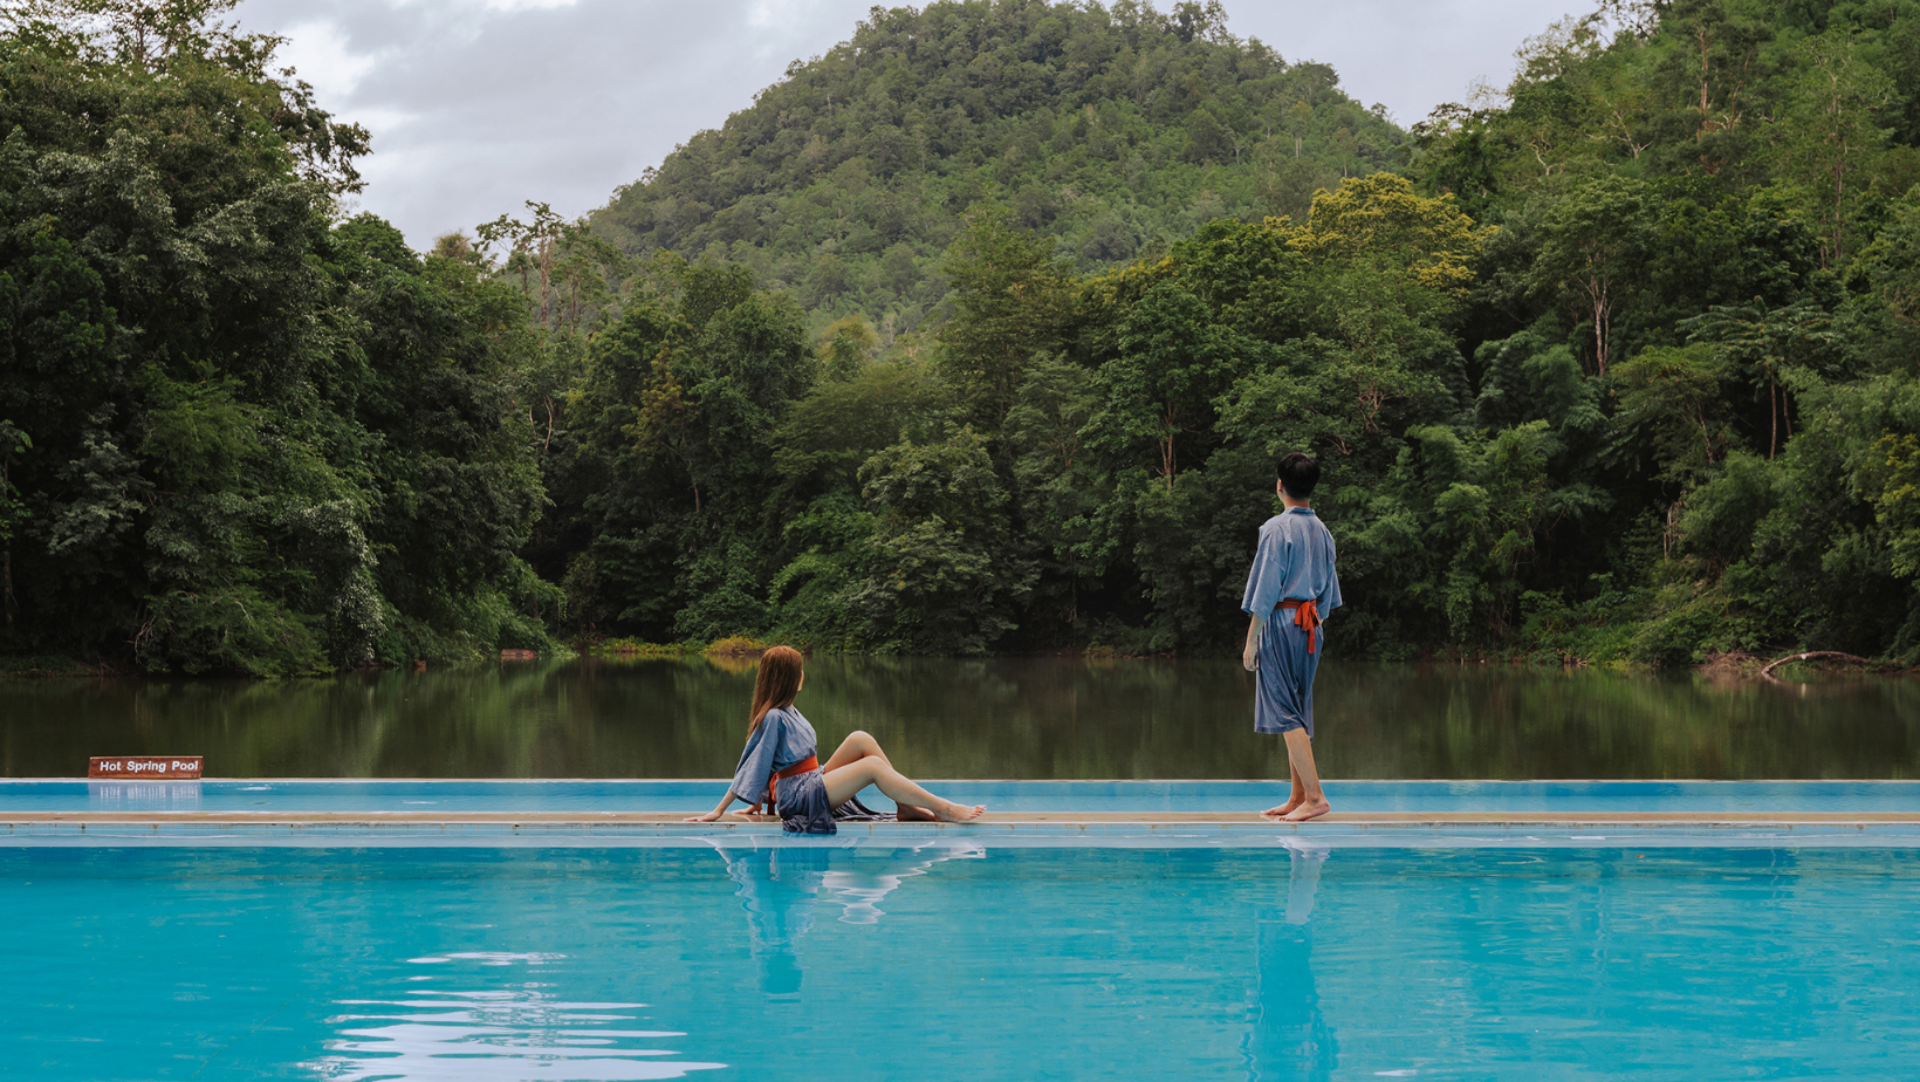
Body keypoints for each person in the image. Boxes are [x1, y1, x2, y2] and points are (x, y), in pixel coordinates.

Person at [685, 646, 986, 832]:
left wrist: (761, 800)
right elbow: (753, 763)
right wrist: (720, 810)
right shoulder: (774, 717)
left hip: (809, 780)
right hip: (799, 796)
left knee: (860, 738)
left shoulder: (789, 710)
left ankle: (905, 806)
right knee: (872, 768)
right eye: (799, 671)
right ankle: (943, 807)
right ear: (791, 678)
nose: (804, 675)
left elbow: (773, 764)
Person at [1242, 452, 1342, 822]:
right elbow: (1330, 594)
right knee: (1297, 708)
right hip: (1312, 624)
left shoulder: (1276, 529)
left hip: (1283, 621)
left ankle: (1315, 797)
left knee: (1285, 710)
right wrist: (1313, 622)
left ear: (1280, 486)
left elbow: (1265, 590)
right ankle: (1298, 795)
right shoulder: (1324, 531)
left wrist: (1252, 639)